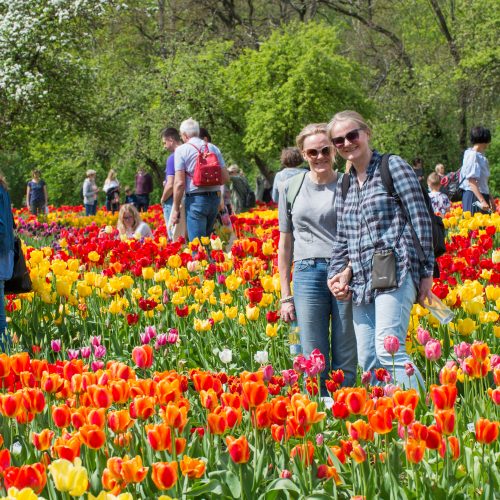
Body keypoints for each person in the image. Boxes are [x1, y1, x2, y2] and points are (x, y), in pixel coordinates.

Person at [327, 110, 433, 390]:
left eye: (352, 135)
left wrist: (427, 273)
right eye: (339, 140)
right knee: (369, 358)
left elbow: (420, 219)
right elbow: (342, 236)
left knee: (390, 350)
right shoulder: (346, 183)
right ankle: (387, 423)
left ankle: (422, 416)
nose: (347, 143)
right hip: (361, 280)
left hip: (396, 269)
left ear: (367, 133)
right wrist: (336, 274)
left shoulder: (392, 166)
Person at [278, 123, 357, 392]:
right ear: (303, 153)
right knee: (313, 357)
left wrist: (348, 269)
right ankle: (319, 419)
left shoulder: (349, 184)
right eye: (313, 152)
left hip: (344, 272)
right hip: (306, 272)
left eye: (325, 150)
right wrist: (285, 295)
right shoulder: (290, 187)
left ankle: (348, 413)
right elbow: (285, 244)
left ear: (334, 150)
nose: (320, 156)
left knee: (346, 350)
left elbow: (360, 234)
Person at [171, 118, 229, 241]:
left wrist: (176, 209)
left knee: (197, 247)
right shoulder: (213, 148)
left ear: (185, 135)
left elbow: (179, 183)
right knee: (207, 242)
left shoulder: (181, 150)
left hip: (195, 200)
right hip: (215, 199)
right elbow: (225, 178)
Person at [461, 126, 496, 215]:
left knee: (483, 227)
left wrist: (490, 198)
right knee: (475, 227)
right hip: (473, 196)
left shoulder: (480, 156)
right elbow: (471, 180)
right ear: (484, 140)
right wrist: (482, 201)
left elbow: (483, 182)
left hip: (482, 196)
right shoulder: (472, 156)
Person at [0, 173, 14, 351]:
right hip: (4, 254)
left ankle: (5, 358)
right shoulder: (3, 189)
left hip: (1, 252)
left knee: (0, 319)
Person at [160, 127, 182, 237]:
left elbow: (170, 184)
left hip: (172, 200)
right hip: (186, 199)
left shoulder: (172, 157)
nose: (164, 146)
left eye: (165, 142)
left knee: (173, 236)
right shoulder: (188, 153)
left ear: (171, 139)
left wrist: (163, 199)